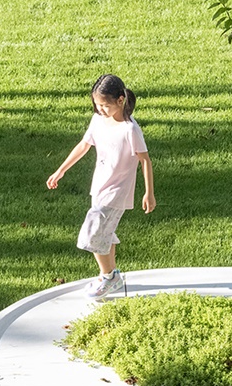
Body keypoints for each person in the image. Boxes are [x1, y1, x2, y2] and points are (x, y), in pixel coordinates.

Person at [46, 73, 156, 298]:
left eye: (105, 105)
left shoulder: (130, 130)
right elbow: (84, 145)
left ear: (120, 100)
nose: (100, 109)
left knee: (93, 234)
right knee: (105, 232)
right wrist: (61, 170)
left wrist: (148, 193)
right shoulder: (98, 119)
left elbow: (145, 160)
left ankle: (109, 277)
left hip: (117, 191)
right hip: (99, 186)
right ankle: (109, 275)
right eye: (97, 105)